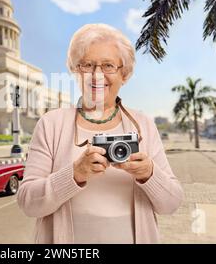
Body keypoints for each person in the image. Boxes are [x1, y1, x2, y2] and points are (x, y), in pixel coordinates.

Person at [17, 24, 184, 244]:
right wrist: (74, 174)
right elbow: (28, 203)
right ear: (76, 71)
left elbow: (171, 204)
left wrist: (149, 173)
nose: (97, 75)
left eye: (108, 66)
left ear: (124, 74)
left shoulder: (143, 125)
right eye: (87, 65)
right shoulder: (51, 124)